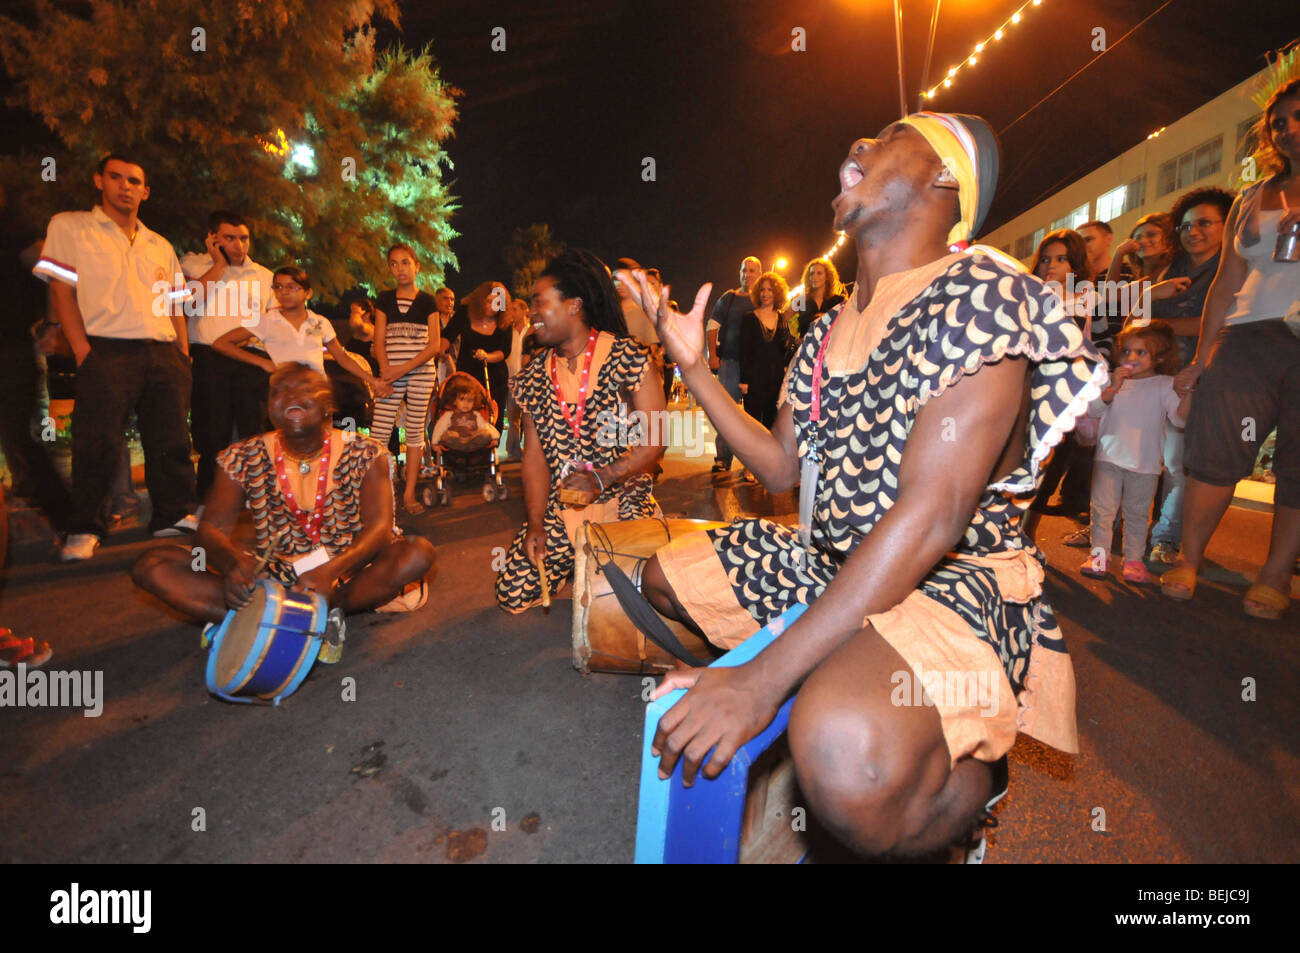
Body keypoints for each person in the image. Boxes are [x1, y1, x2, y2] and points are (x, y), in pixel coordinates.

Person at [630, 111, 1104, 860]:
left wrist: (758, 682)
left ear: (947, 177)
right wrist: (692, 367)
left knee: (847, 750)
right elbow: (782, 466)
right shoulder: (824, 329)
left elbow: (933, 518)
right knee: (661, 578)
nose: (857, 146)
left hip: (945, 582)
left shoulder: (981, 293)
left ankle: (960, 789)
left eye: (889, 137)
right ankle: (834, 692)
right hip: (829, 561)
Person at [131, 364, 435, 638]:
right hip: (272, 574)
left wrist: (328, 573)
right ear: (270, 409)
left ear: (328, 406)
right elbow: (210, 529)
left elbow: (380, 530)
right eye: (279, 391)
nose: (290, 395)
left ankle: (316, 613)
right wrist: (233, 564)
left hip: (344, 573)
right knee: (153, 564)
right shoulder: (241, 457)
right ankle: (281, 615)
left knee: (417, 553)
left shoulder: (366, 452)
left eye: (304, 389)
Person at [1162, 78, 1300, 620]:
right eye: (1280, 121)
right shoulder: (1252, 196)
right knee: (1217, 448)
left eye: (1298, 116)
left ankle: (1274, 576)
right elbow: (1224, 283)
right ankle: (1189, 557)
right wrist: (1201, 358)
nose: (1288, 128)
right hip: (1246, 335)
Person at [32, 154, 199, 561]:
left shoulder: (158, 244)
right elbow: (61, 291)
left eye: (134, 180)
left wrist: (182, 351)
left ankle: (171, 514)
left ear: (145, 190)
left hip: (162, 351)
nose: (125, 186)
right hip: (105, 347)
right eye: (116, 177)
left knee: (171, 440)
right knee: (97, 442)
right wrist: (83, 350)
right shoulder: (71, 226)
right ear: (99, 181)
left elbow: (175, 302)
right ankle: (85, 526)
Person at [495, 249, 666, 613]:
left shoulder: (630, 358)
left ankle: (601, 563)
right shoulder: (531, 379)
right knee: (512, 593)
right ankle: (578, 561)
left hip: (624, 502)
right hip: (565, 507)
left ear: (574, 306)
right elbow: (536, 460)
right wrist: (537, 524)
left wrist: (602, 479)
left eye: (541, 303)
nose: (533, 313)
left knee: (637, 598)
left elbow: (656, 440)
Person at [1146, 186, 1235, 565]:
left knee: (1183, 462)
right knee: (1156, 459)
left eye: (1203, 223)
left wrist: (1163, 322)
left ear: (1227, 225)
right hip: (1159, 374)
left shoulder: (1231, 268)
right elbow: (1140, 320)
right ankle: (1148, 531)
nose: (1192, 231)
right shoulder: (1173, 269)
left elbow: (1218, 324)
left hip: (1202, 374)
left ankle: (1167, 539)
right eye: (1184, 226)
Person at [1079, 321, 1190, 584]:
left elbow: (1180, 420)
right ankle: (1098, 556)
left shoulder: (1165, 384)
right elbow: (1092, 411)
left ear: (1159, 357)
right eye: (1127, 351)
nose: (1131, 358)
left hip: (1146, 464)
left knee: (1137, 514)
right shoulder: (1111, 379)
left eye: (1141, 352)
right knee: (1102, 512)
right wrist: (1112, 388)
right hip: (1107, 457)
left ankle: (1133, 561)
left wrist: (1186, 394)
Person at [181, 210, 276, 501]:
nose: (239, 245)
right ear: (212, 238)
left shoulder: (263, 275)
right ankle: (209, 499)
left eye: (244, 238)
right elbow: (184, 304)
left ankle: (256, 498)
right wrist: (218, 265)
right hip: (209, 357)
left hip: (251, 359)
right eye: (230, 238)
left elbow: (273, 320)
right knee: (213, 432)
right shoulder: (192, 265)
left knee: (254, 431)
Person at [0, 189, 70, 534]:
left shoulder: (14, 230)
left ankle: (67, 518)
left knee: (20, 434)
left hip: (10, 347)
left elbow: (54, 273)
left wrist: (54, 324)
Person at [1024, 229, 1099, 541]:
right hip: (1021, 390)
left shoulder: (1082, 299)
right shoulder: (1027, 295)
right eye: (1044, 259)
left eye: (1061, 259)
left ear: (1076, 265)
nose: (1050, 265)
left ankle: (1026, 535)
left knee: (1047, 467)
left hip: (1059, 393)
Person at [211, 266, 388, 394]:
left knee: (322, 443)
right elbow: (221, 343)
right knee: (285, 444)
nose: (284, 292)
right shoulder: (266, 321)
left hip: (317, 392)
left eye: (292, 287)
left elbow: (341, 356)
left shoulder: (319, 323)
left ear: (308, 293)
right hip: (284, 394)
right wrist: (263, 363)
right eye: (278, 287)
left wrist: (372, 380)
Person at [370, 244, 442, 515]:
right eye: (394, 264)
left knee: (414, 432)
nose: (400, 268)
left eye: (405, 262)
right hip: (390, 375)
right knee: (379, 433)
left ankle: (409, 493)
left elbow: (434, 345)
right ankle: (381, 493)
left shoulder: (427, 302)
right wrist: (386, 372)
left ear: (416, 266)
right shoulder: (384, 299)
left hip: (421, 374)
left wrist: (401, 370)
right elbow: (378, 341)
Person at [736, 271, 792, 484]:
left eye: (770, 289)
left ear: (777, 293)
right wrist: (743, 380)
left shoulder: (783, 319)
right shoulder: (749, 319)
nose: (766, 293)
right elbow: (744, 351)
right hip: (753, 380)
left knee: (771, 425)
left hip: (776, 379)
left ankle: (767, 467)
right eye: (763, 289)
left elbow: (786, 349)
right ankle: (749, 466)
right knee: (752, 426)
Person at [443, 281, 512, 432]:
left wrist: (487, 356)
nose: (493, 306)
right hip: (467, 374)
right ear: (480, 299)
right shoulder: (465, 312)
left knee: (493, 417)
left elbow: (504, 351)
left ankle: (490, 448)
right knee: (465, 415)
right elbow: (447, 336)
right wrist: (437, 352)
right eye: (489, 301)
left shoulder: (505, 321)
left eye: (497, 303)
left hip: (494, 376)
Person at [431, 372, 499, 453]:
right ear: (454, 401)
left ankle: (469, 443)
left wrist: (495, 437)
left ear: (474, 401)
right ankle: (461, 442)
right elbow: (439, 428)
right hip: (456, 441)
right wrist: (435, 443)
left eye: (470, 400)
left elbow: (486, 426)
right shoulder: (449, 415)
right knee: (448, 435)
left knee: (484, 433)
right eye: (462, 399)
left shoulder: (475, 415)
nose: (466, 403)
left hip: (472, 439)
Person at [792, 257, 846, 337]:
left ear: (827, 276)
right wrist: (794, 339)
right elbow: (785, 321)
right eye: (812, 273)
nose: (815, 277)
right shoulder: (801, 301)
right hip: (807, 348)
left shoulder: (839, 301)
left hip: (830, 348)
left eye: (819, 273)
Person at [346, 296, 380, 374]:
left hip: (364, 376)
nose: (351, 314)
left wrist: (356, 313)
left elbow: (355, 323)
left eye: (353, 311)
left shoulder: (368, 329)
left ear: (366, 314)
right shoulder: (363, 330)